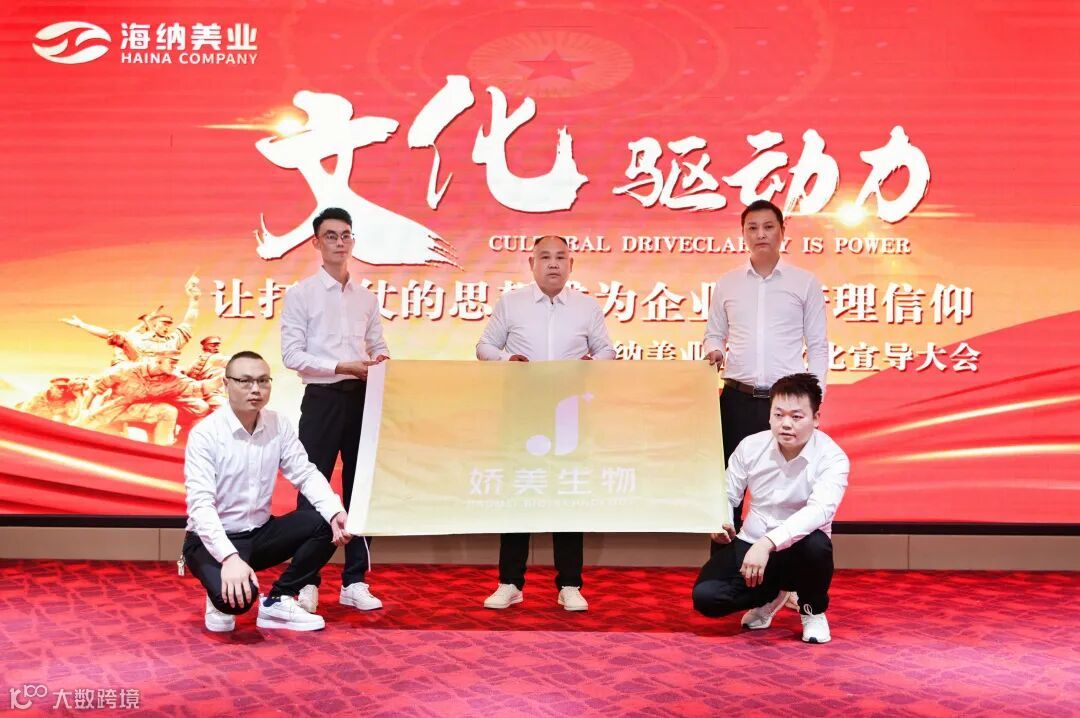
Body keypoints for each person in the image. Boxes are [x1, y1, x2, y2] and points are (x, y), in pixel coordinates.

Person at [476, 234, 614, 612]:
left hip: (569, 414)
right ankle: (510, 582)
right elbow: (484, 347)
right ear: (531, 263)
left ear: (571, 264)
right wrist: (506, 361)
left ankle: (569, 584)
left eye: (560, 257)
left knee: (567, 493)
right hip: (522, 412)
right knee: (519, 491)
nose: (553, 263)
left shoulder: (586, 306)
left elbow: (607, 349)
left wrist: (592, 364)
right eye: (545, 257)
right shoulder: (512, 303)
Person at [704, 199, 828, 609]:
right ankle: (728, 581)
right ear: (743, 234)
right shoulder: (727, 283)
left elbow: (818, 345)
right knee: (727, 494)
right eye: (752, 228)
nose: (760, 234)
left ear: (781, 232)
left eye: (768, 227)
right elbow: (713, 333)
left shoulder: (804, 282)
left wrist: (814, 399)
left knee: (790, 492)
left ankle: (789, 582)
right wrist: (712, 349)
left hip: (785, 404)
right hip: (736, 398)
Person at [182, 350, 352, 632]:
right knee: (235, 604)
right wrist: (229, 557)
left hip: (260, 534)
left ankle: (278, 599)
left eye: (263, 381)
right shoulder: (205, 434)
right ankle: (217, 593)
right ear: (226, 384)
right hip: (211, 541)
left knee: (326, 520)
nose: (256, 389)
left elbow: (305, 473)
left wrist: (335, 511)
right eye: (245, 381)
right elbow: (201, 506)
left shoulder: (278, 424)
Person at [280, 207, 390, 614]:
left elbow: (377, 345)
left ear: (352, 241)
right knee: (314, 488)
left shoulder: (366, 298)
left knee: (362, 489)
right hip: (322, 399)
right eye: (331, 236)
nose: (339, 242)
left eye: (345, 235)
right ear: (316, 242)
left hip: (362, 399)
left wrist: (381, 361)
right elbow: (292, 355)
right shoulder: (301, 294)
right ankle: (305, 580)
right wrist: (342, 366)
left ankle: (355, 580)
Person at [691, 373, 848, 644]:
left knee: (817, 546)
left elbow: (819, 511)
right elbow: (728, 493)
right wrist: (720, 521)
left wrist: (767, 543)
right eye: (778, 414)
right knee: (707, 598)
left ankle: (812, 611)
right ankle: (770, 596)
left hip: (799, 547)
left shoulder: (832, 457)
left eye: (796, 417)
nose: (786, 424)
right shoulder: (751, 447)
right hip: (752, 540)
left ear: (816, 418)